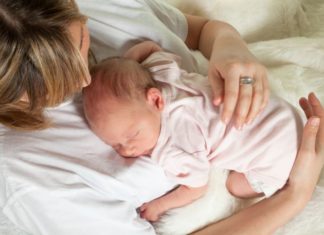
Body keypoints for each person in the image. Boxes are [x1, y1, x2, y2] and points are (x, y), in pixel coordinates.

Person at [0, 0, 322, 234]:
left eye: (82, 44)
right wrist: (295, 196)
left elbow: (200, 31)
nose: (85, 80)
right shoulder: (27, 176)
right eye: (49, 87)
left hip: (278, 114)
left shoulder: (98, 6)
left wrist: (230, 47)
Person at [82, 41, 303, 221]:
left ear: (155, 99)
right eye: (115, 145)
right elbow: (150, 47)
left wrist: (159, 206)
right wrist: (127, 66)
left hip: (279, 157)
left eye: (132, 135)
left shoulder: (170, 147)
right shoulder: (161, 74)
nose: (128, 149)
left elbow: (196, 187)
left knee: (234, 185)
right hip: (284, 115)